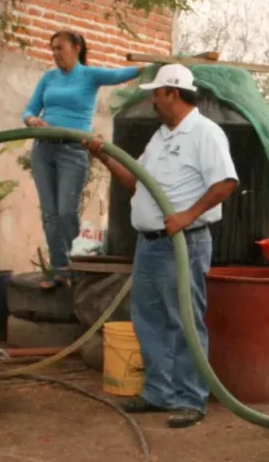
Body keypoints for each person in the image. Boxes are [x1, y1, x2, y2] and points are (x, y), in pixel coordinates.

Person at [83, 63, 238, 429]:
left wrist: (187, 214)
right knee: (148, 319)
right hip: (149, 245)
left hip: (183, 243)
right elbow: (136, 182)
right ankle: (158, 393)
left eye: (156, 93)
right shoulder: (160, 137)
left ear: (173, 92)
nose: (152, 100)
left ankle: (190, 398)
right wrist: (104, 155)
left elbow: (226, 182)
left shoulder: (205, 133)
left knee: (183, 318)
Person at [23, 30, 142, 290]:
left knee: (66, 212)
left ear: (76, 47)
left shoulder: (90, 75)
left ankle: (74, 268)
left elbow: (122, 74)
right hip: (44, 149)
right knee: (50, 215)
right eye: (52, 49)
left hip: (72, 150)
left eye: (60, 48)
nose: (55, 54)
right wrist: (33, 120)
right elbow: (30, 109)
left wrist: (154, 66)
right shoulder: (48, 78)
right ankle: (59, 270)